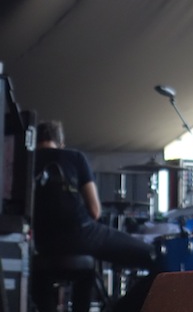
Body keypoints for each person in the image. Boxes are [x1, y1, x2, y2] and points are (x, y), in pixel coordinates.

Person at [32, 120, 156, 312]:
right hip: (82, 235)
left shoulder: (27, 162)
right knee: (155, 257)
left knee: (85, 271)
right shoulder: (74, 157)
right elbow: (95, 211)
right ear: (61, 142)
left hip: (43, 244)